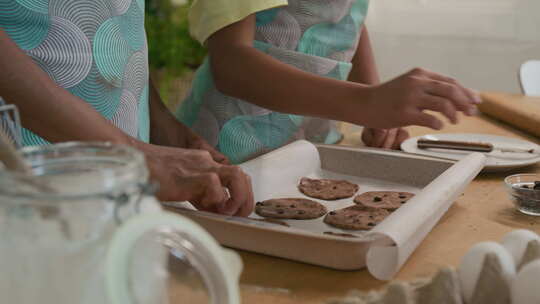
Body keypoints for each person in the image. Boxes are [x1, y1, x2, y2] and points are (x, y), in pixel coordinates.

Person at [0, 0, 253, 216]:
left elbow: (120, 23)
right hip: (24, 191)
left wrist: (161, 125)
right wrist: (139, 157)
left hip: (119, 189)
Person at [176, 0, 482, 164]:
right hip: (226, 155)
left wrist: (373, 99)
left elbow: (345, 17)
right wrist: (368, 103)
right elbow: (231, 64)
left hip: (311, 150)